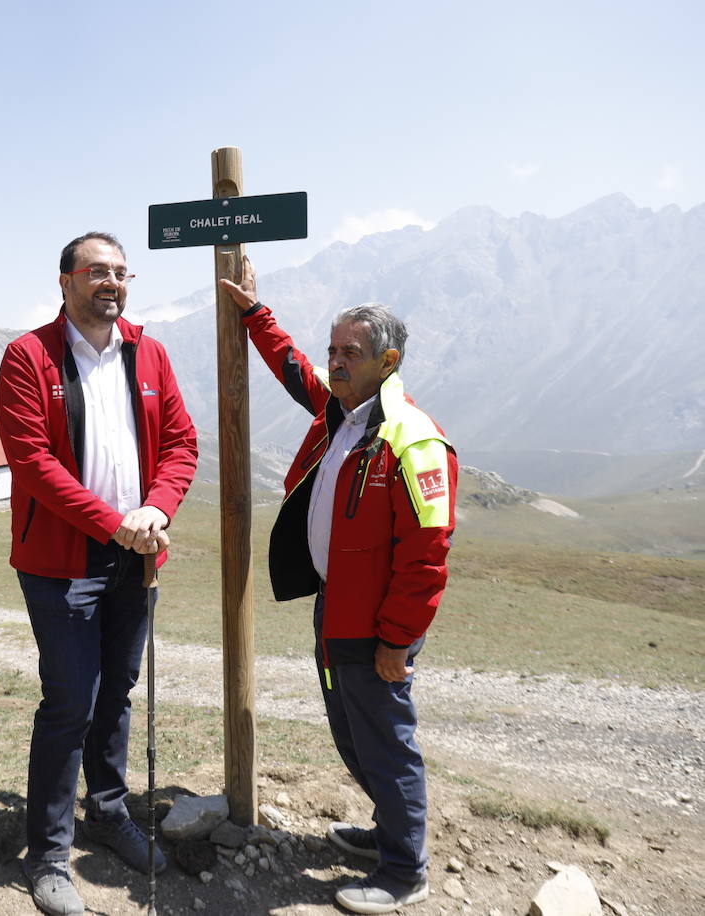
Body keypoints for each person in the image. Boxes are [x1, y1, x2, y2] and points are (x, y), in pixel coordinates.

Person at [220, 262, 457, 915]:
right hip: (335, 609)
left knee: (385, 736)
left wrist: (399, 640)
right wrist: (254, 314)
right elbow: (293, 367)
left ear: (389, 359)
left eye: (350, 352)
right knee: (353, 733)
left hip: (377, 624)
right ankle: (388, 832)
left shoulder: (413, 439)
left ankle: (406, 871)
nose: (335, 362)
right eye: (333, 350)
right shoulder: (343, 413)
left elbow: (429, 555)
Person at [0, 232, 198, 916]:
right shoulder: (28, 357)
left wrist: (153, 508)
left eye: (120, 272)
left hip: (136, 557)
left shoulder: (150, 352)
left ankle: (108, 815)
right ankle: (48, 853)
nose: (111, 282)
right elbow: (33, 463)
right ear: (65, 281)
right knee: (70, 701)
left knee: (117, 693)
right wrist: (111, 521)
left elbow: (180, 443)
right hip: (61, 564)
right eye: (96, 272)